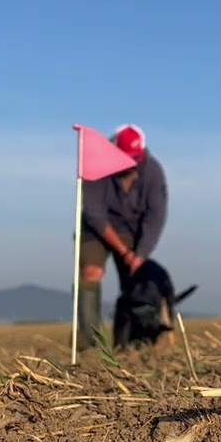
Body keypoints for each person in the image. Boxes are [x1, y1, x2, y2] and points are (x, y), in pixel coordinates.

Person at [76, 123, 169, 350]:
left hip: (132, 231)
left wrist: (140, 254)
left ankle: (128, 342)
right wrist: (123, 251)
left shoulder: (153, 171)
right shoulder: (97, 167)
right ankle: (89, 341)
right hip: (97, 230)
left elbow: (155, 217)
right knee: (91, 271)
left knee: (136, 281)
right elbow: (95, 215)